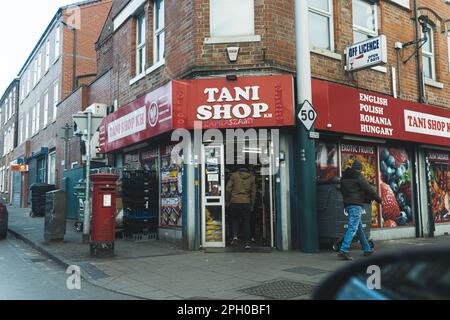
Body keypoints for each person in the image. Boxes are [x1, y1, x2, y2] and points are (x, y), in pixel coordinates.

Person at [338, 160, 382, 261]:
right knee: (353, 227)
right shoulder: (358, 176)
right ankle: (344, 249)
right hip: (356, 205)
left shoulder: (344, 177)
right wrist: (378, 199)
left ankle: (367, 249)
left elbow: (342, 190)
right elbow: (369, 189)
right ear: (359, 169)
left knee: (359, 229)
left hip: (348, 205)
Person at [226, 167, 256, 249]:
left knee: (234, 220)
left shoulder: (234, 176)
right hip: (246, 202)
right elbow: (253, 193)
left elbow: (228, 189)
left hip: (235, 202)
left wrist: (228, 200)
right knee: (246, 222)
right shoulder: (251, 178)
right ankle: (247, 243)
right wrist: (252, 204)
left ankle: (235, 236)